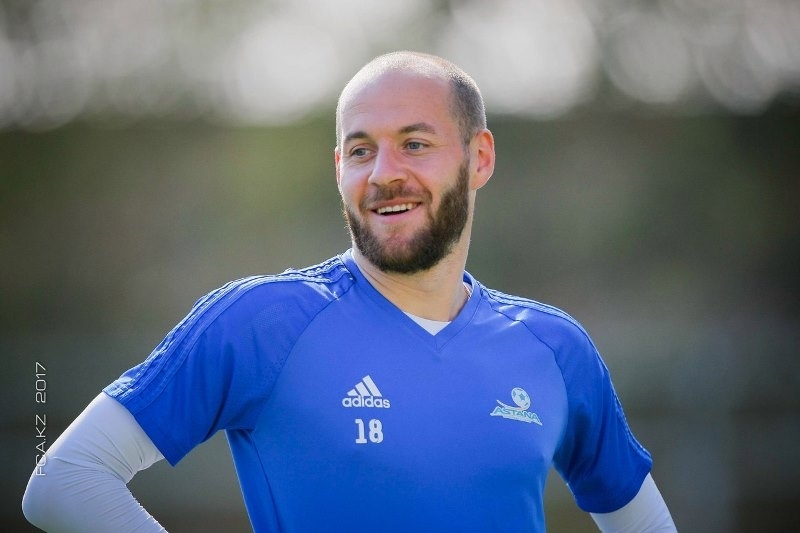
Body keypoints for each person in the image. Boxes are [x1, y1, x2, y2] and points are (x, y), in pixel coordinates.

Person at [23, 51, 676, 532]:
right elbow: (64, 480)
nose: (385, 173)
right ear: (339, 168)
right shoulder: (260, 323)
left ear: (478, 158)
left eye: (414, 144)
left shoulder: (555, 348)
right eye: (361, 151)